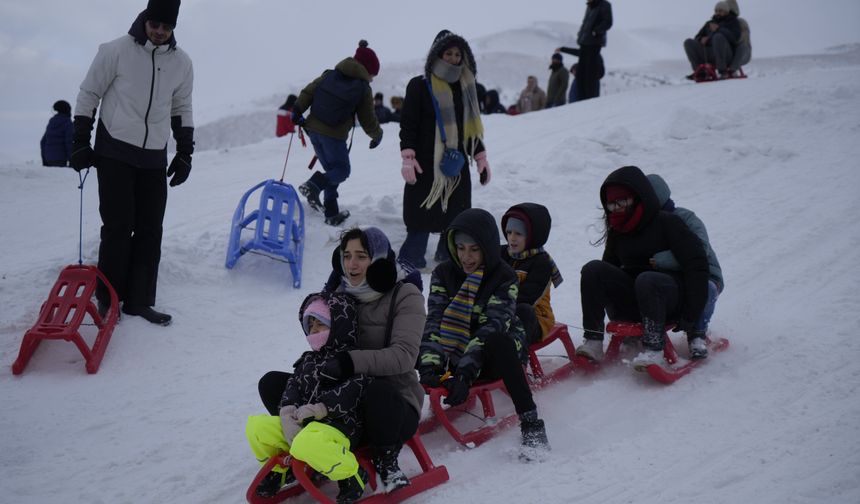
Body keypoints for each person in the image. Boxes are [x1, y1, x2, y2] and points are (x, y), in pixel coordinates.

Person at [258, 227, 425, 495]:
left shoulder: (405, 295)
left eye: (361, 256)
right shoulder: (337, 292)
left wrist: (349, 362)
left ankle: (386, 460)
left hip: (389, 404)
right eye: (346, 256)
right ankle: (304, 447)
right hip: (339, 402)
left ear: (380, 260)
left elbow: (404, 356)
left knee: (377, 389)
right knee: (272, 384)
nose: (352, 264)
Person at [71, 0, 194, 325]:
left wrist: (184, 152)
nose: (159, 32)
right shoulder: (115, 51)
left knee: (151, 229)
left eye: (166, 28)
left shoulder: (182, 63)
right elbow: (88, 93)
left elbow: (181, 107)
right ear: (145, 20)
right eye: (155, 25)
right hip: (114, 152)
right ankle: (108, 298)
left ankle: (139, 300)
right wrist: (81, 140)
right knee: (117, 227)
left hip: (153, 156)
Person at [417, 208, 550, 458]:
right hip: (454, 351)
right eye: (460, 248)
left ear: (487, 248)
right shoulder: (443, 274)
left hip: (493, 354)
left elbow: (491, 327)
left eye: (474, 249)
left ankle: (531, 424)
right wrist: (429, 368)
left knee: (497, 341)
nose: (466, 256)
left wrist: (465, 377)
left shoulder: (503, 276)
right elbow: (434, 320)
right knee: (413, 336)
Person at [577, 166, 710, 369]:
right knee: (593, 269)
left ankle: (654, 349)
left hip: (671, 301)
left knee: (647, 279)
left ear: (637, 197)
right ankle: (593, 340)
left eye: (621, 201)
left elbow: (697, 264)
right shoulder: (618, 231)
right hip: (638, 300)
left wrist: (692, 313)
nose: (616, 208)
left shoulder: (668, 223)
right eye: (611, 204)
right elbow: (607, 271)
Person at [246, 292, 372, 502]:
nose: (314, 330)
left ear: (338, 327)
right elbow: (293, 385)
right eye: (310, 325)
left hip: (339, 425)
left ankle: (352, 475)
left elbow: (354, 390)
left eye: (320, 324)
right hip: (307, 423)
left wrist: (321, 408)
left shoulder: (352, 358)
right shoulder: (308, 360)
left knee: (307, 442)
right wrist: (287, 411)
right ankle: (281, 470)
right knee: (257, 428)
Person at [398, 30, 491, 270]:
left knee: (455, 212)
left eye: (457, 54)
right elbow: (408, 123)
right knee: (421, 210)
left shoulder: (467, 86)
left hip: (455, 162)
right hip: (425, 161)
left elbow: (470, 130)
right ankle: (411, 258)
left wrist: (480, 156)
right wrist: (408, 156)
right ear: (436, 54)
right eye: (447, 53)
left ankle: (447, 254)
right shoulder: (419, 86)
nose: (452, 58)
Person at [293, 40, 383, 226]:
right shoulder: (363, 88)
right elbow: (367, 118)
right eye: (372, 75)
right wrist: (377, 135)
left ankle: (331, 212)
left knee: (331, 171)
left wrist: (297, 109)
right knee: (341, 171)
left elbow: (309, 91)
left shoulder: (330, 74)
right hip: (333, 136)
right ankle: (313, 185)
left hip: (313, 130)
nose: (372, 79)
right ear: (367, 69)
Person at [647, 174, 724, 357]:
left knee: (705, 289)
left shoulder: (686, 218)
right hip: (675, 278)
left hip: (705, 274)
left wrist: (660, 261)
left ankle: (697, 334)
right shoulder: (648, 224)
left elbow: (700, 249)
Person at [500, 203, 563, 344]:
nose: (512, 238)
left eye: (518, 233)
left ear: (532, 236)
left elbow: (528, 296)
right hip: (500, 313)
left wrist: (497, 305)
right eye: (509, 232)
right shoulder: (502, 253)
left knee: (524, 311)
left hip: (536, 319)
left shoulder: (541, 262)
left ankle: (515, 355)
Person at [558, 0, 612, 101]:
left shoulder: (604, 5)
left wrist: (596, 31)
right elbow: (585, 23)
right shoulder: (589, 6)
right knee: (582, 73)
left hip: (594, 42)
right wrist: (580, 35)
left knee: (590, 73)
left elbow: (608, 22)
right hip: (584, 42)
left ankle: (590, 100)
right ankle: (581, 100)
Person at [683, 1, 742, 80]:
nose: (718, 13)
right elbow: (697, 37)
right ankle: (700, 72)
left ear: (726, 11)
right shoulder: (709, 23)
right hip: (710, 54)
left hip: (726, 54)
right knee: (688, 42)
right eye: (716, 11)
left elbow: (735, 38)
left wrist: (719, 29)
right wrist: (701, 39)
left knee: (718, 37)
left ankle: (723, 71)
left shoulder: (732, 22)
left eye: (720, 11)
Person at [40, 100, 74, 167]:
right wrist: (72, 159)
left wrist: (44, 159)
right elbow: (69, 142)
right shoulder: (67, 123)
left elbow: (43, 142)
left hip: (48, 158)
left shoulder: (51, 122)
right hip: (61, 159)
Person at [726, 0, 752, 74]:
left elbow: (744, 39)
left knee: (741, 47)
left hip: (743, 52)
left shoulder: (741, 22)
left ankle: (732, 70)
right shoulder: (722, 22)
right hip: (730, 52)